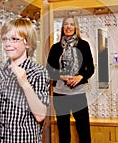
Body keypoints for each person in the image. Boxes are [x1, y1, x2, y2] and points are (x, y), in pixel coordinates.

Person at [0, 18, 50, 143]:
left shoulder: (38, 73)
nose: (8, 43)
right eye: (5, 39)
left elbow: (40, 116)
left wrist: (25, 84)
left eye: (15, 39)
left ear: (28, 43)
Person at [47, 15, 94, 143]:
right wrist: (61, 76)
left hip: (78, 93)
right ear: (62, 27)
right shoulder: (56, 48)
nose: (68, 27)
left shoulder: (84, 45)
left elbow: (90, 68)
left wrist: (80, 76)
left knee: (84, 130)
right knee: (63, 132)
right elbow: (49, 71)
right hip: (60, 94)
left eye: (72, 24)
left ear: (76, 27)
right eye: (66, 24)